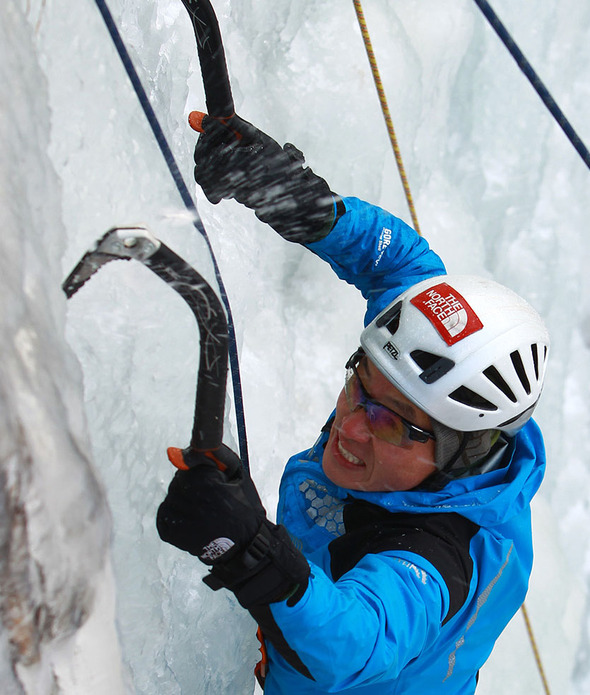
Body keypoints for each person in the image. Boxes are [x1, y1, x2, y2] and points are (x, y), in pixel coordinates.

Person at [156, 113, 550, 694]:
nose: (352, 425)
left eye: (392, 423)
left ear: (459, 457)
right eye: (359, 383)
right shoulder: (419, 374)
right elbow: (402, 267)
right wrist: (306, 204)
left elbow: (357, 642)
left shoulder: (435, 556)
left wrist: (248, 551)